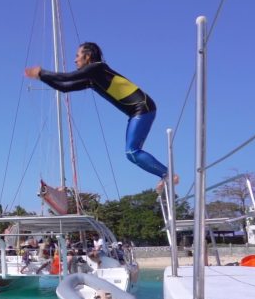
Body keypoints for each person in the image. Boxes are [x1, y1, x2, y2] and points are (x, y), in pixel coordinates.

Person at [24, 42, 178, 193]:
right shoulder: (93, 78)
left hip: (143, 108)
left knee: (132, 152)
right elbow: (65, 87)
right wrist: (41, 77)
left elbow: (67, 77)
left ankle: (168, 175)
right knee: (132, 155)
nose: (75, 60)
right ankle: (166, 175)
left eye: (77, 56)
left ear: (88, 56)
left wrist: (41, 72)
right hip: (136, 112)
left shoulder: (98, 67)